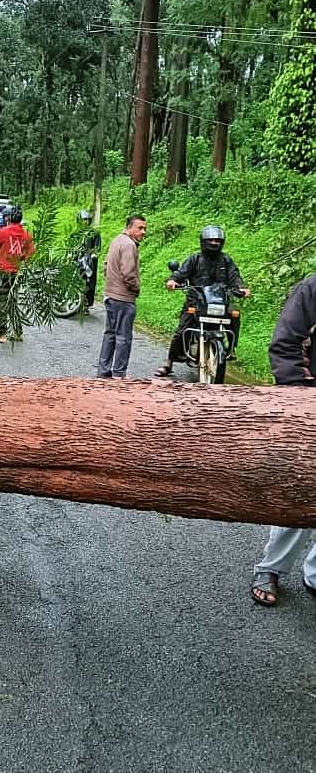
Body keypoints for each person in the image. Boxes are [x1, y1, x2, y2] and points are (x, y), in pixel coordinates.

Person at [251, 275, 316, 606]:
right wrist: (301, 403)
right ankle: (271, 567)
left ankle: (315, 574)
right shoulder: (313, 288)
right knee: (302, 491)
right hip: (312, 405)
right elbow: (286, 342)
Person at [155, 225, 251, 377]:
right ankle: (169, 363)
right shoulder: (195, 259)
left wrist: (241, 288)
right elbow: (181, 273)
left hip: (220, 301)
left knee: (235, 314)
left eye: (217, 240)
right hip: (197, 300)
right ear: (203, 241)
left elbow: (235, 277)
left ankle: (231, 349)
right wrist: (173, 280)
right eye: (211, 240)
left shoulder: (226, 260)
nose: (214, 243)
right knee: (181, 330)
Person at [97, 215, 147, 378]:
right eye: (140, 228)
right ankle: (119, 374)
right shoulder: (129, 245)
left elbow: (105, 266)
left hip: (110, 295)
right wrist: (136, 288)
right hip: (123, 298)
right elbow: (128, 274)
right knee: (123, 337)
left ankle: (103, 371)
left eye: (144, 228)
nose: (143, 232)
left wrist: (112, 283)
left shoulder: (116, 240)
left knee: (110, 334)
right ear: (129, 227)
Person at [0, 206, 35, 343]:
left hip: (3, 272)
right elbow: (31, 250)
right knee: (13, 302)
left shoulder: (4, 232)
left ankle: (2, 335)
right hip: (16, 273)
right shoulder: (26, 234)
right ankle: (18, 332)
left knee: (2, 302)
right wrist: (22, 257)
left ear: (8, 218)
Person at [73, 210, 102, 308]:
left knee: (89, 282)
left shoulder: (95, 233)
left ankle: (86, 304)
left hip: (89, 260)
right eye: (83, 219)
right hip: (77, 259)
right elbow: (71, 246)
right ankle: (73, 301)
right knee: (74, 279)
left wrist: (93, 254)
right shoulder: (75, 233)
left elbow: (97, 248)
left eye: (87, 220)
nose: (85, 222)